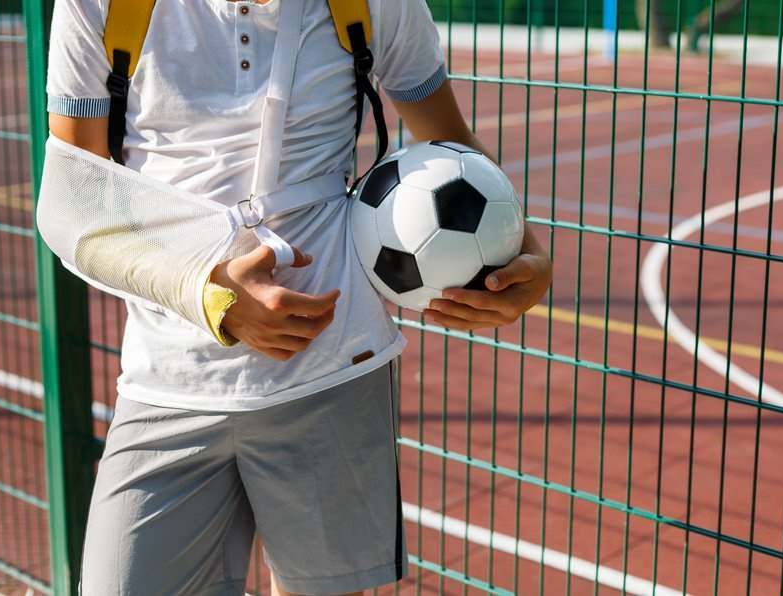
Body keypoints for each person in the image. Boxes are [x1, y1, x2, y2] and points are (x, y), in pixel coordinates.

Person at [45, 0, 552, 593]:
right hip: (169, 379)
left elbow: (452, 146)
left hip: (332, 369)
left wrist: (521, 254)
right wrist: (205, 294)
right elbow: (74, 202)